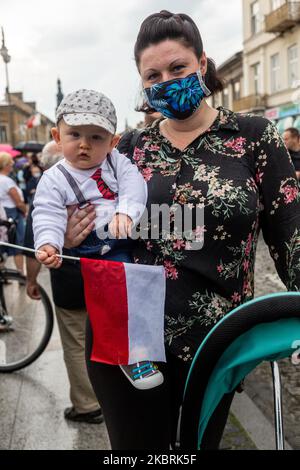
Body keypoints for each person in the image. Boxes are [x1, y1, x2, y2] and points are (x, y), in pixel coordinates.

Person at [80, 10, 300, 450]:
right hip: (129, 339)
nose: (166, 81)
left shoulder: (255, 137)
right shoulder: (130, 147)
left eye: (177, 68)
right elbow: (100, 230)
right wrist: (74, 231)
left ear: (202, 64)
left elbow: (292, 236)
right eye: (153, 75)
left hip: (215, 342)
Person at [32, 89, 162, 390]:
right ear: (57, 135)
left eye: (96, 137)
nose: (84, 145)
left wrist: (127, 214)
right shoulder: (54, 178)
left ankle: (139, 350)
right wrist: (49, 243)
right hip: (92, 249)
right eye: (74, 134)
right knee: (115, 295)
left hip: (123, 239)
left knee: (137, 293)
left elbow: (134, 188)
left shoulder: (118, 163)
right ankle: (130, 356)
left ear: (113, 142)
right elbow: (47, 213)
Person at [25, 140, 104, 424]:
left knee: (75, 343)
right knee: (106, 338)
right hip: (106, 275)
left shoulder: (46, 196)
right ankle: (112, 399)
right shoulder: (101, 189)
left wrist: (30, 281)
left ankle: (87, 405)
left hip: (69, 281)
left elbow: (33, 245)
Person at [0, 152, 27, 274]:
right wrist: (25, 211)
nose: (12, 164)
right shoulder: (7, 181)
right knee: (18, 245)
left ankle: (3, 273)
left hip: (3, 214)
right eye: (10, 162)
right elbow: (18, 202)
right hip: (13, 215)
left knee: (3, 245)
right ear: (5, 165)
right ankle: (21, 273)